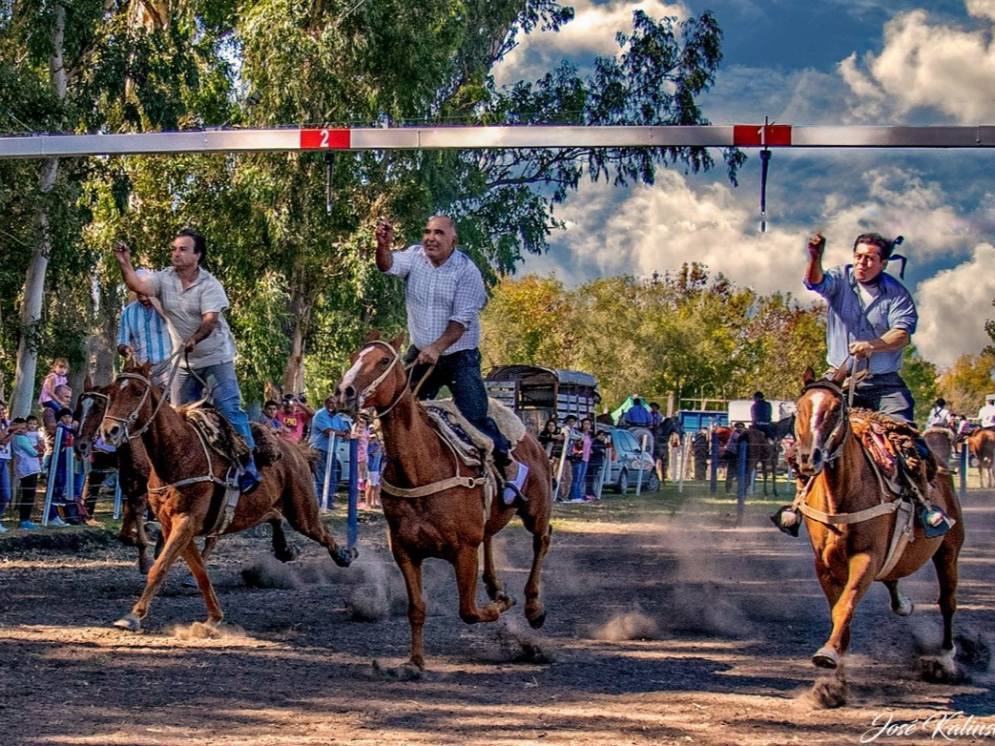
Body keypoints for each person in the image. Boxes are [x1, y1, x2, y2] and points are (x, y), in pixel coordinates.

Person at [375, 214, 527, 502]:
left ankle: (511, 468)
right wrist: (383, 245)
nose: (431, 237)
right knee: (399, 407)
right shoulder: (414, 256)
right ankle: (405, 470)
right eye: (427, 231)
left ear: (453, 240)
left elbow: (460, 322)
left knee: (473, 416)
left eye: (439, 233)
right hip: (421, 351)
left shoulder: (467, 272)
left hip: (459, 356)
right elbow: (387, 265)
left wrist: (436, 348)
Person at [112, 229, 260, 494]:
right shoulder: (164, 279)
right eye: (174, 249)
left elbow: (210, 320)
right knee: (176, 414)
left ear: (197, 255)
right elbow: (137, 285)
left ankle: (248, 463)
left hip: (216, 356)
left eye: (182, 249)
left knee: (229, 406)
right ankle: (185, 469)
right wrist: (125, 263)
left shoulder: (209, 284)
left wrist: (194, 338)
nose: (175, 254)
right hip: (182, 362)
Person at [804, 232, 917, 421]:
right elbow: (815, 282)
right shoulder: (840, 279)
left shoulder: (898, 294)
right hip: (840, 378)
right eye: (858, 256)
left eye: (870, 258)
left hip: (884, 385)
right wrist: (815, 257)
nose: (861, 263)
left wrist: (871, 345)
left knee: (904, 434)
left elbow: (902, 335)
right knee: (810, 421)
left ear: (883, 264)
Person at [117, 268, 173, 385]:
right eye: (139, 294)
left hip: (167, 368)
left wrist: (156, 302)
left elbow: (175, 325)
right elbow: (121, 342)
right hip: (140, 371)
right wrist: (125, 349)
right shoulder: (128, 312)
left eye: (145, 293)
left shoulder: (167, 305)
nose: (143, 298)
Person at [309, 395, 351, 507]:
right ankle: (319, 503)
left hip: (332, 451)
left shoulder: (336, 417)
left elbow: (344, 428)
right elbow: (328, 431)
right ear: (326, 403)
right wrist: (343, 434)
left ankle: (329, 502)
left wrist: (346, 432)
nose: (333, 405)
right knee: (321, 477)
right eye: (331, 403)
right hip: (319, 449)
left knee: (332, 477)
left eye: (335, 403)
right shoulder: (320, 415)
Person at [11, 417, 42, 530]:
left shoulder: (16, 438)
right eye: (21, 428)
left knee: (28, 495)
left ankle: (25, 519)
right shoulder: (21, 439)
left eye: (25, 428)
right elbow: (32, 452)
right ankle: (24, 520)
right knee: (28, 495)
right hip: (28, 468)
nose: (24, 430)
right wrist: (40, 453)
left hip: (27, 468)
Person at [568, 418, 593, 502]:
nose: (587, 426)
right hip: (578, 457)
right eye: (585, 424)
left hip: (586, 458)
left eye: (588, 424)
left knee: (581, 478)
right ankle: (574, 496)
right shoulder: (578, 434)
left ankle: (579, 495)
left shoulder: (589, 435)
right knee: (576, 478)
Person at [0, 400, 12, 532]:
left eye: (3, 410)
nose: (1, 413)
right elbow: (2, 440)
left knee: (6, 494)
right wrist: (11, 431)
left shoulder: (7, 423)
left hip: (4, 460)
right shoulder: (7, 427)